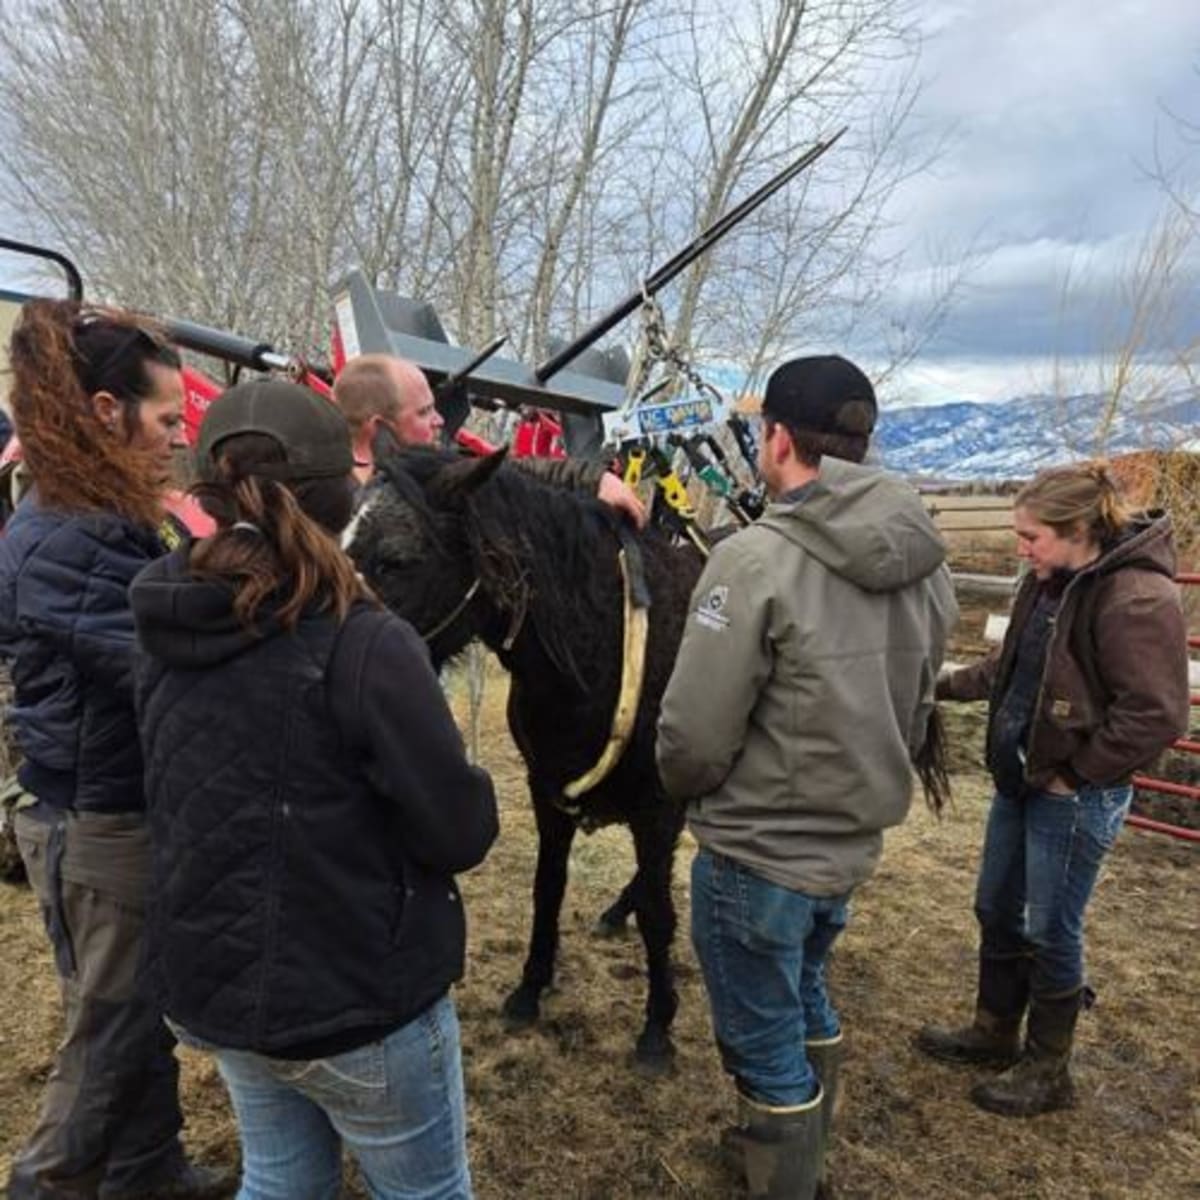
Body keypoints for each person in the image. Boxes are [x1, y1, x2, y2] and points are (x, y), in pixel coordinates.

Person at [130, 378, 499, 1199]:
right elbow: (457, 834)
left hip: (223, 991)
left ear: (210, 494)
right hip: (359, 1003)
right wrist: (472, 787)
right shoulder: (365, 642)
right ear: (346, 492)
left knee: (280, 1183)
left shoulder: (160, 624)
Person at [656, 355, 958, 1200]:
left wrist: (684, 787)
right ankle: (799, 1153)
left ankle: (786, 1173)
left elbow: (694, 734)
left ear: (777, 438)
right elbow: (916, 703)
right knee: (805, 994)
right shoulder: (926, 559)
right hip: (849, 846)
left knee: (762, 1041)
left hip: (760, 853)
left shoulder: (753, 561)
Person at [0, 301, 229, 1199]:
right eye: (168, 420)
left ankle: (146, 1172)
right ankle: (43, 1185)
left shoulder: (88, 515)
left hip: (104, 806)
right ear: (104, 412)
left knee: (136, 1008)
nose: (178, 439)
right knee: (112, 1027)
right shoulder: (74, 539)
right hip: (94, 823)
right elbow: (163, 664)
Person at [917, 462, 1189, 1117]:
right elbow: (1011, 668)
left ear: (1077, 531)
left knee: (1051, 928)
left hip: (1071, 796)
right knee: (995, 906)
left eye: (1031, 535)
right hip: (1022, 778)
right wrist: (939, 685)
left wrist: (1076, 774)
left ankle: (1048, 1068)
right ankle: (993, 1030)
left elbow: (1156, 712)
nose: (1021, 547)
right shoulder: (1046, 583)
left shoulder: (1135, 597)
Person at [332, 351, 647, 525]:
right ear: (378, 429)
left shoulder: (421, 474)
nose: (439, 420)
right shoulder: (326, 509)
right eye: (424, 412)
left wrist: (593, 480)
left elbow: (508, 473)